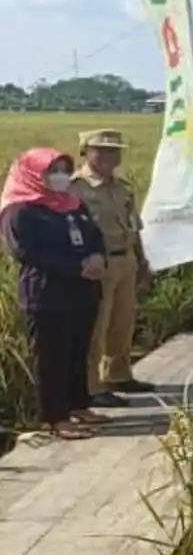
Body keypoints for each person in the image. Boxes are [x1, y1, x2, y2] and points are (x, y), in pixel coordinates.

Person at [0, 148, 107, 439]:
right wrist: (76, 267)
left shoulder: (72, 204)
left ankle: (78, 405)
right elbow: (26, 252)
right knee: (51, 356)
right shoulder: (19, 210)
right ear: (34, 174)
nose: (60, 176)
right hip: (47, 295)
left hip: (83, 292)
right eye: (53, 171)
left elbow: (95, 237)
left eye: (63, 169)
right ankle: (55, 418)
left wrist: (97, 257)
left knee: (77, 351)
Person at [68, 129, 154, 410]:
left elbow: (133, 226)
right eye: (101, 150)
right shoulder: (75, 187)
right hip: (96, 264)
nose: (108, 156)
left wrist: (141, 260)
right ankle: (93, 387)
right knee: (96, 325)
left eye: (114, 150)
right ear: (85, 151)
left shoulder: (123, 187)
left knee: (123, 321)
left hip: (125, 259)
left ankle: (118, 375)